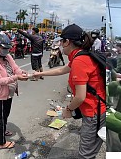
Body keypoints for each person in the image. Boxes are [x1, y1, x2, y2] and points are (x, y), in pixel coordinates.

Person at [33, 24, 106, 159]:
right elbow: (62, 69)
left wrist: (68, 109)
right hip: (96, 109)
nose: (60, 44)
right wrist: (38, 74)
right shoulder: (80, 56)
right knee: (90, 150)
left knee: (85, 155)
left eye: (62, 41)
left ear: (68, 42)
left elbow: (80, 97)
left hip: (93, 112)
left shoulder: (79, 60)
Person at [0, 34, 28, 150]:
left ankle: (3, 131)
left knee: (5, 115)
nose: (6, 50)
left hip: (9, 94)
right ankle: (2, 143)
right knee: (0, 118)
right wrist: (16, 77)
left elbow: (15, 68)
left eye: (7, 48)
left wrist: (21, 73)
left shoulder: (8, 57)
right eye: (3, 48)